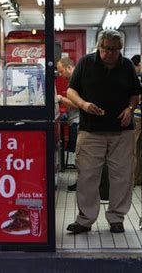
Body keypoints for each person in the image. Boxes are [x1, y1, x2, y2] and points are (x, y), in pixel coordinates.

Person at [65, 29, 141, 234]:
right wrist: (83, 104)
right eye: (107, 48)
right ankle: (85, 219)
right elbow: (70, 90)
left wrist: (130, 109)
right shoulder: (85, 62)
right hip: (91, 131)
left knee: (122, 176)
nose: (111, 53)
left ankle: (117, 218)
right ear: (100, 46)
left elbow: (135, 94)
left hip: (122, 132)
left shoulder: (126, 65)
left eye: (116, 50)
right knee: (88, 176)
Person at [56, 57, 80, 191]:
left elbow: (78, 104)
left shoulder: (76, 80)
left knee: (80, 154)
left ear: (69, 68)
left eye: (61, 71)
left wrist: (61, 99)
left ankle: (81, 182)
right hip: (74, 120)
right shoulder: (74, 79)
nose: (60, 75)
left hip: (78, 121)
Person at [130, 54, 142, 186]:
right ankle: (136, 178)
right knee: (137, 149)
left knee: (132, 149)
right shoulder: (140, 78)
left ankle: (132, 179)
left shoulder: (138, 78)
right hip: (139, 116)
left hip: (137, 117)